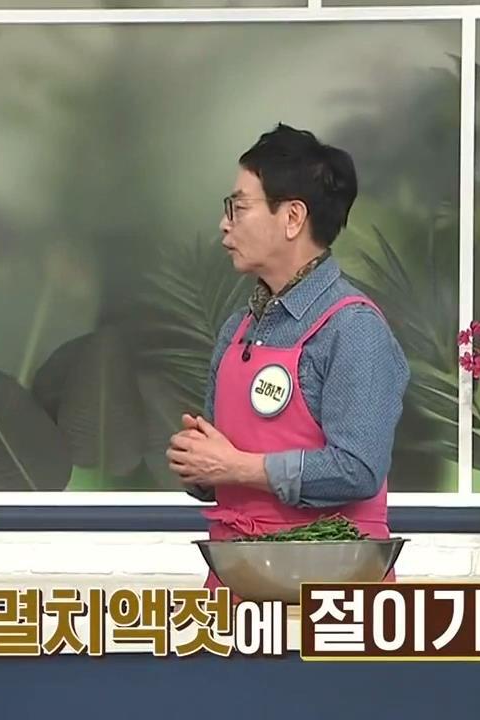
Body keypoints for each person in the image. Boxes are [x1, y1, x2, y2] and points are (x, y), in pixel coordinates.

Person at [166, 122, 409, 593]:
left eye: (239, 207)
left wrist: (237, 467)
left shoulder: (353, 328)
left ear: (293, 217)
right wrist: (199, 464)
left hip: (332, 590)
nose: (224, 223)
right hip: (237, 586)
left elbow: (358, 469)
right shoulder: (236, 328)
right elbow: (223, 468)